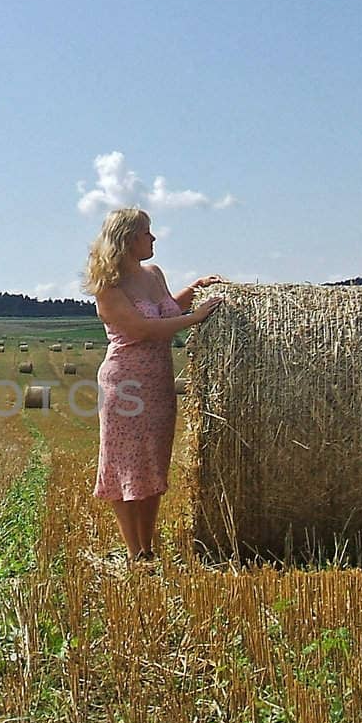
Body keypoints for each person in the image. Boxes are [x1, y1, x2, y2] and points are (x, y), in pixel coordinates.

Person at [84, 206, 224, 563]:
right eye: (147, 232)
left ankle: (148, 546)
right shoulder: (108, 288)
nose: (153, 237)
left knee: (151, 466)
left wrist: (192, 292)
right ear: (129, 239)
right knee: (124, 466)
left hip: (159, 383)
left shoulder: (154, 274)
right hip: (125, 386)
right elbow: (142, 329)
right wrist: (195, 319)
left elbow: (165, 313)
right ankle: (136, 552)